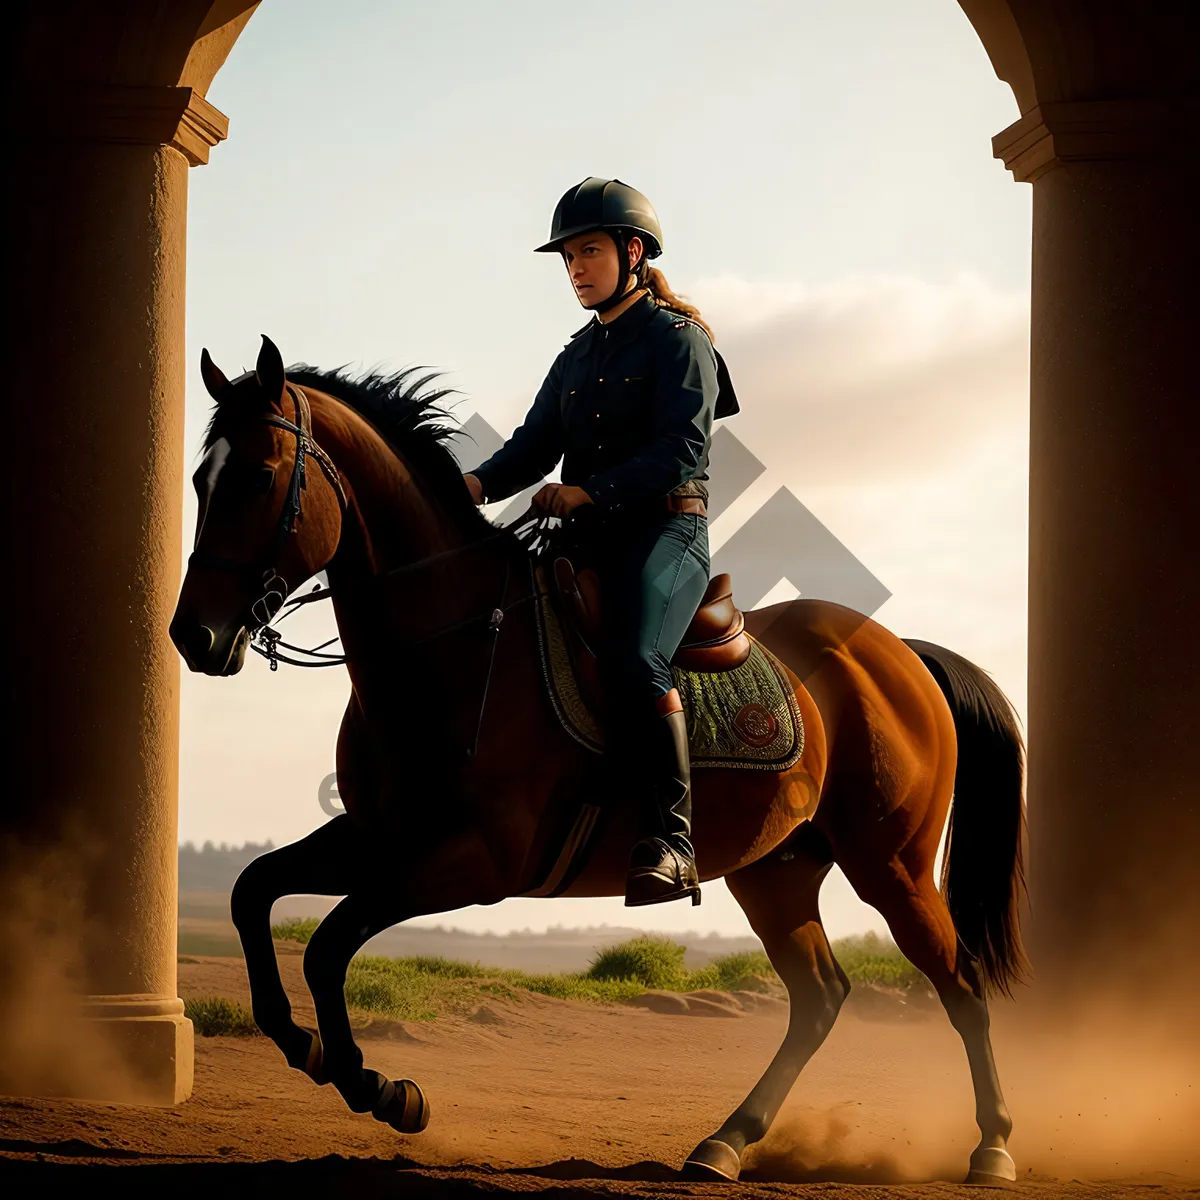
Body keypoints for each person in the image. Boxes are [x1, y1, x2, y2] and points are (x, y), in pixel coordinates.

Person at [463, 177, 738, 906]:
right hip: (585, 537)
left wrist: (588, 489)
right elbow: (530, 447)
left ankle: (674, 843)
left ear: (634, 251)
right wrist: (472, 486)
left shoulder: (683, 343)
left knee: (635, 656)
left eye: (588, 252)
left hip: (667, 533)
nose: (576, 269)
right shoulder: (576, 357)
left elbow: (681, 450)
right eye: (567, 259)